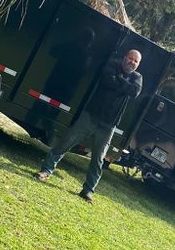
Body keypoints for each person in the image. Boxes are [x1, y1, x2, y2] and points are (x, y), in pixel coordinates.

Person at [36, 49, 143, 202]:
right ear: (125, 57)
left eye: (135, 61)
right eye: (130, 58)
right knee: (66, 142)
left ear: (138, 64)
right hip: (90, 116)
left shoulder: (137, 77)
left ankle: (88, 191)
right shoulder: (112, 65)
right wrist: (122, 84)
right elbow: (107, 80)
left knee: (98, 159)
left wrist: (118, 80)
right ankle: (46, 171)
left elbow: (134, 91)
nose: (131, 62)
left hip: (109, 125)